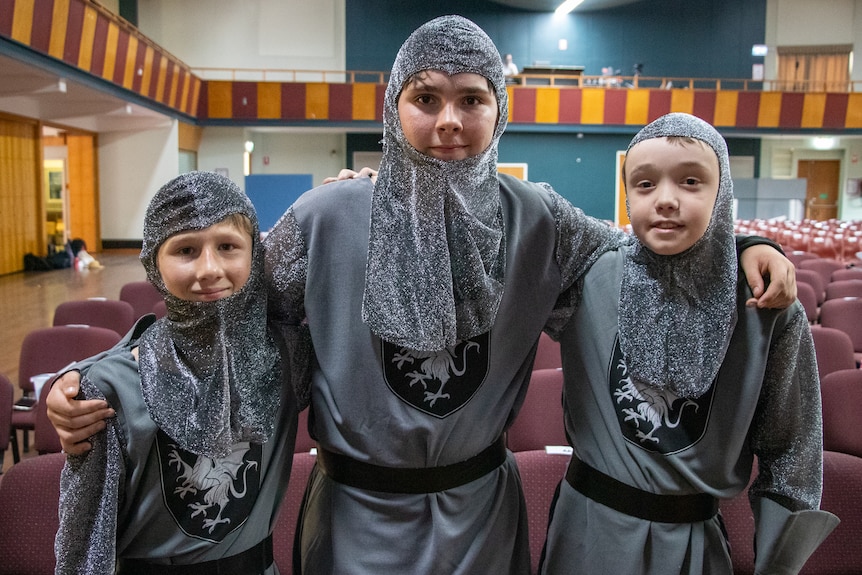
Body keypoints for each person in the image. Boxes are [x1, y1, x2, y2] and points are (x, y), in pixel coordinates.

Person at [48, 17, 795, 575]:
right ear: (392, 108)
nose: (448, 122)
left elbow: (645, 251)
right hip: (355, 520)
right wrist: (97, 376)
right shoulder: (325, 216)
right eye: (425, 97)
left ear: (499, 110)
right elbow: (217, 319)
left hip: (481, 519)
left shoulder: (540, 219)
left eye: (471, 99)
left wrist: (743, 245)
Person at [539, 113, 839, 574]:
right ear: (626, 195)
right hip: (588, 533)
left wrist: (778, 563)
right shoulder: (588, 274)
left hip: (694, 546)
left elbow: (791, 451)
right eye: (644, 184)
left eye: (691, 181)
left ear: (722, 195)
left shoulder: (766, 305)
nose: (665, 200)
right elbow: (506, 218)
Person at [53, 171, 306, 574]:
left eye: (227, 246)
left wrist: (356, 190)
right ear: (153, 263)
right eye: (186, 250)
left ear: (254, 255)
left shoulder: (287, 357)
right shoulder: (108, 391)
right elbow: (85, 542)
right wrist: (76, 376)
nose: (209, 269)